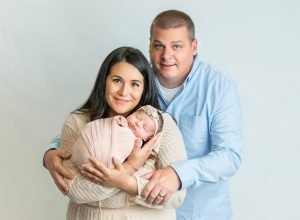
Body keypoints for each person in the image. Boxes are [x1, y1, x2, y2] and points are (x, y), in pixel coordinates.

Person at [44, 9, 243, 220]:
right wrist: (51, 152)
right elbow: (89, 131)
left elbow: (229, 156)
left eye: (176, 46)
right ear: (149, 45)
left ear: (194, 47)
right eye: (159, 46)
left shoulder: (219, 88)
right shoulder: (137, 80)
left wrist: (177, 174)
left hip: (200, 211)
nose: (167, 56)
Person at [46, 46, 187, 220]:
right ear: (104, 81)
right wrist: (130, 169)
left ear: (145, 88)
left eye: (134, 84)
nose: (124, 92)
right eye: (117, 80)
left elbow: (176, 196)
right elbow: (73, 190)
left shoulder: (162, 126)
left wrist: (124, 182)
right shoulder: (78, 122)